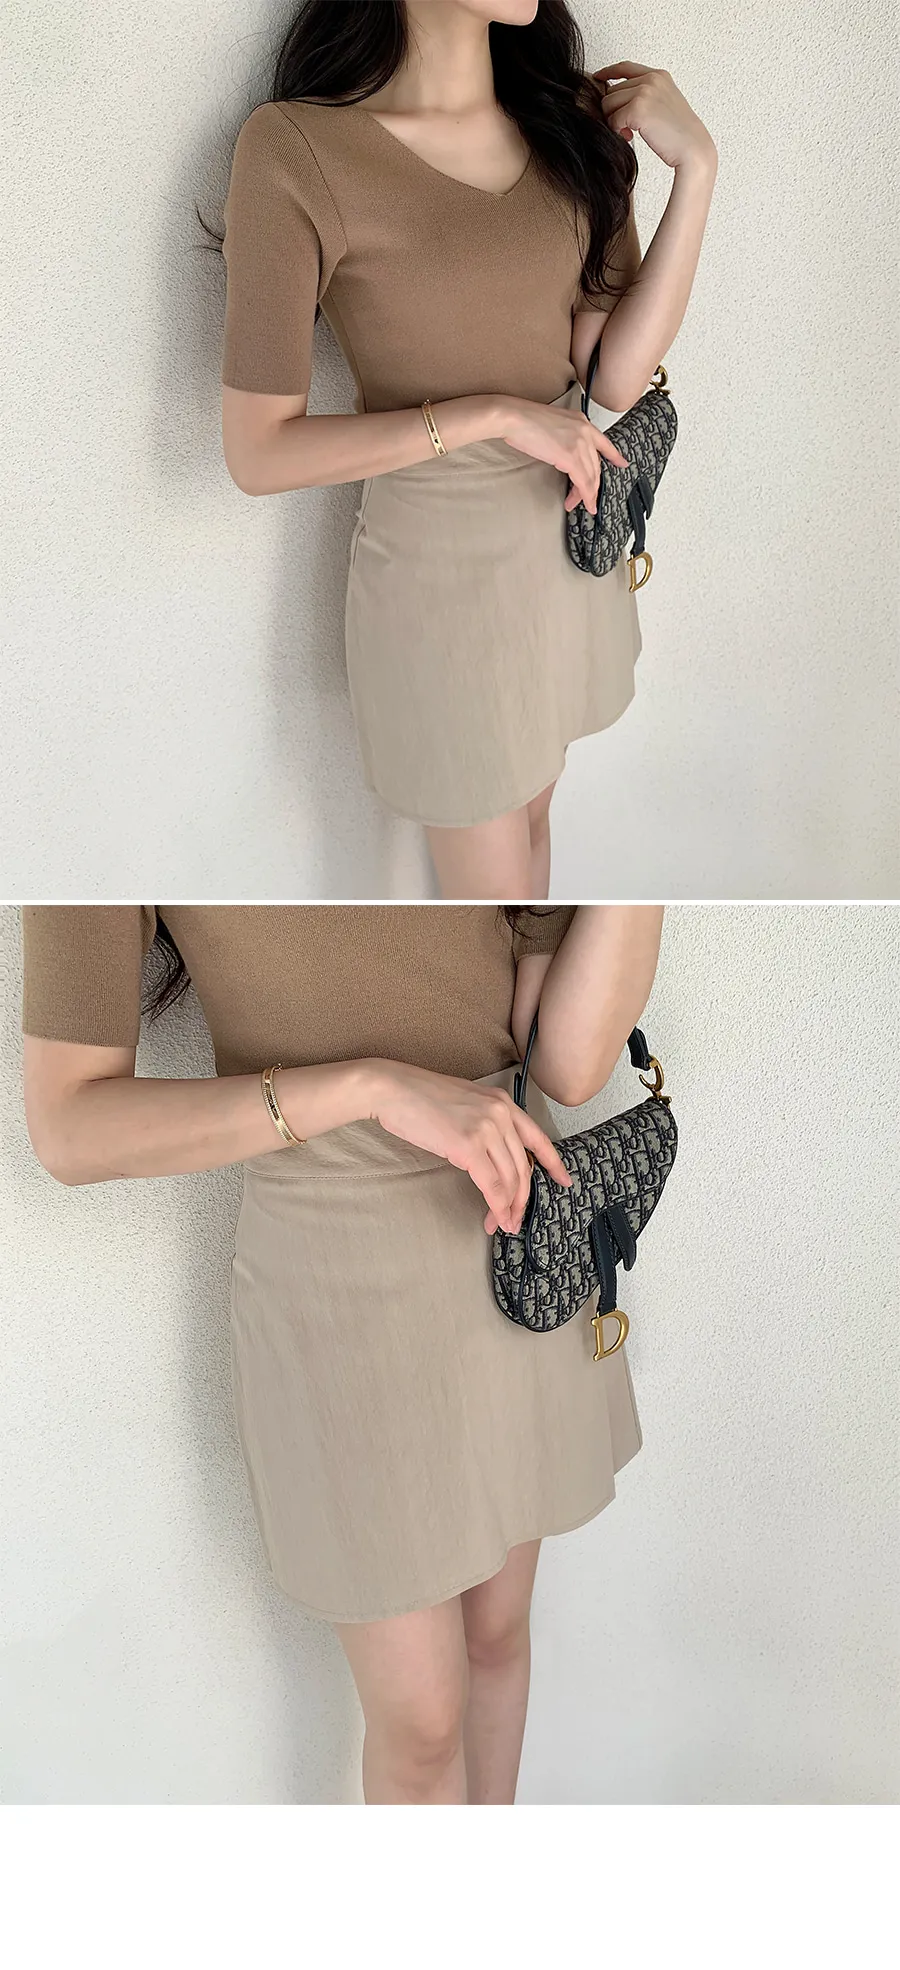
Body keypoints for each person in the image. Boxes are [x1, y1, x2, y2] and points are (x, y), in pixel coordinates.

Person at [21, 901, 664, 1804]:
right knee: (422, 1721)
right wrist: (372, 1088)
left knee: (496, 1636)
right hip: (335, 1260)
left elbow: (564, 1061)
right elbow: (69, 1126)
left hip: (516, 1231)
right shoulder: (109, 825)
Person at [213, 0, 717, 898]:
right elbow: (258, 453)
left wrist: (699, 172)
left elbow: (611, 376)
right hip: (440, 580)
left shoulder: (565, 121)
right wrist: (491, 416)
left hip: (571, 547)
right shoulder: (297, 150)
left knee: (536, 835)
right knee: (491, 896)